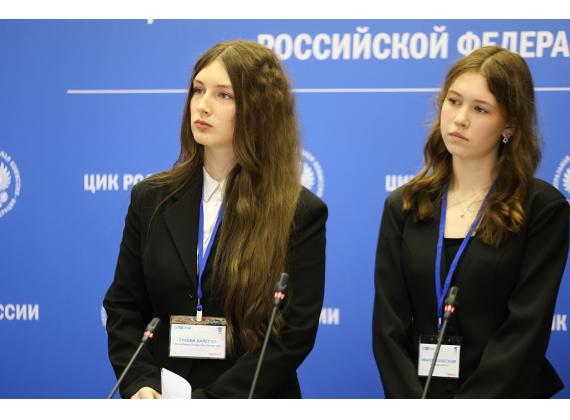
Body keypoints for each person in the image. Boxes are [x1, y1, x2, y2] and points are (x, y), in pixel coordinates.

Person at [103, 40, 327, 399]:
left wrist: (211, 404)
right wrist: (140, 383)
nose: (202, 105)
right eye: (198, 90)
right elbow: (123, 307)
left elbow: (292, 334)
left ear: (259, 109)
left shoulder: (299, 212)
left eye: (224, 95)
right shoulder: (150, 198)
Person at [372, 46, 569, 398]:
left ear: (509, 125)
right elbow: (389, 327)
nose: (460, 119)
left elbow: (525, 330)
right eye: (453, 101)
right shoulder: (404, 205)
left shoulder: (542, 209)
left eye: (480, 109)